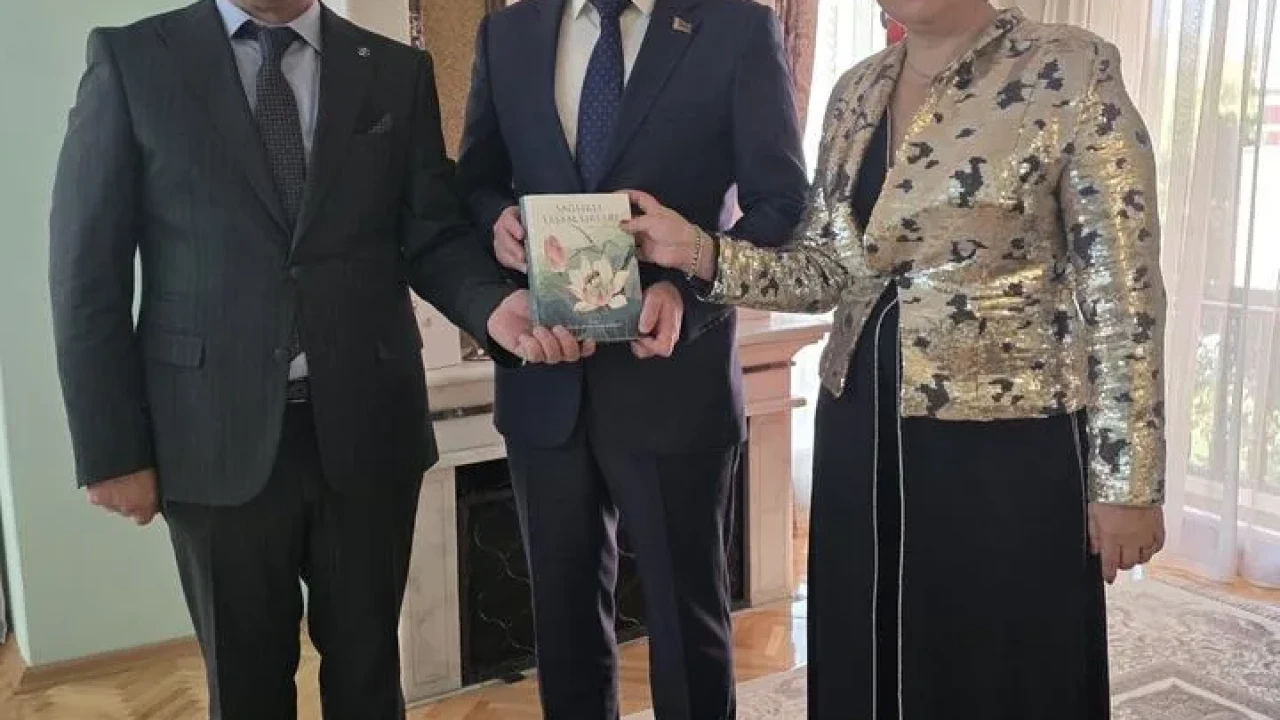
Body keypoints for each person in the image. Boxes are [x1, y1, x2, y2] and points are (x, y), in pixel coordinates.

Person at [622, 3, 1167, 718]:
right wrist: (696, 249)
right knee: (864, 661)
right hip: (861, 428)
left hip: (1005, 449)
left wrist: (1128, 481)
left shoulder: (1069, 67)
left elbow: (1124, 291)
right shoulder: (856, 90)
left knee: (996, 671)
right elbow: (825, 270)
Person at [48, 1, 590, 718]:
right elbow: (87, 272)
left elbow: (431, 234)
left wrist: (492, 307)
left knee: (370, 677)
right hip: (212, 440)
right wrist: (112, 448)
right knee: (245, 687)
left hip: (369, 432)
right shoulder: (134, 61)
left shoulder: (394, 71)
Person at [455, 0, 808, 717]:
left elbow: (782, 206)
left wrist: (688, 294)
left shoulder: (736, 28)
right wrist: (495, 221)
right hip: (545, 380)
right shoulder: (509, 33)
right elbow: (476, 182)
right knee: (562, 632)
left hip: (674, 378)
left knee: (687, 626)